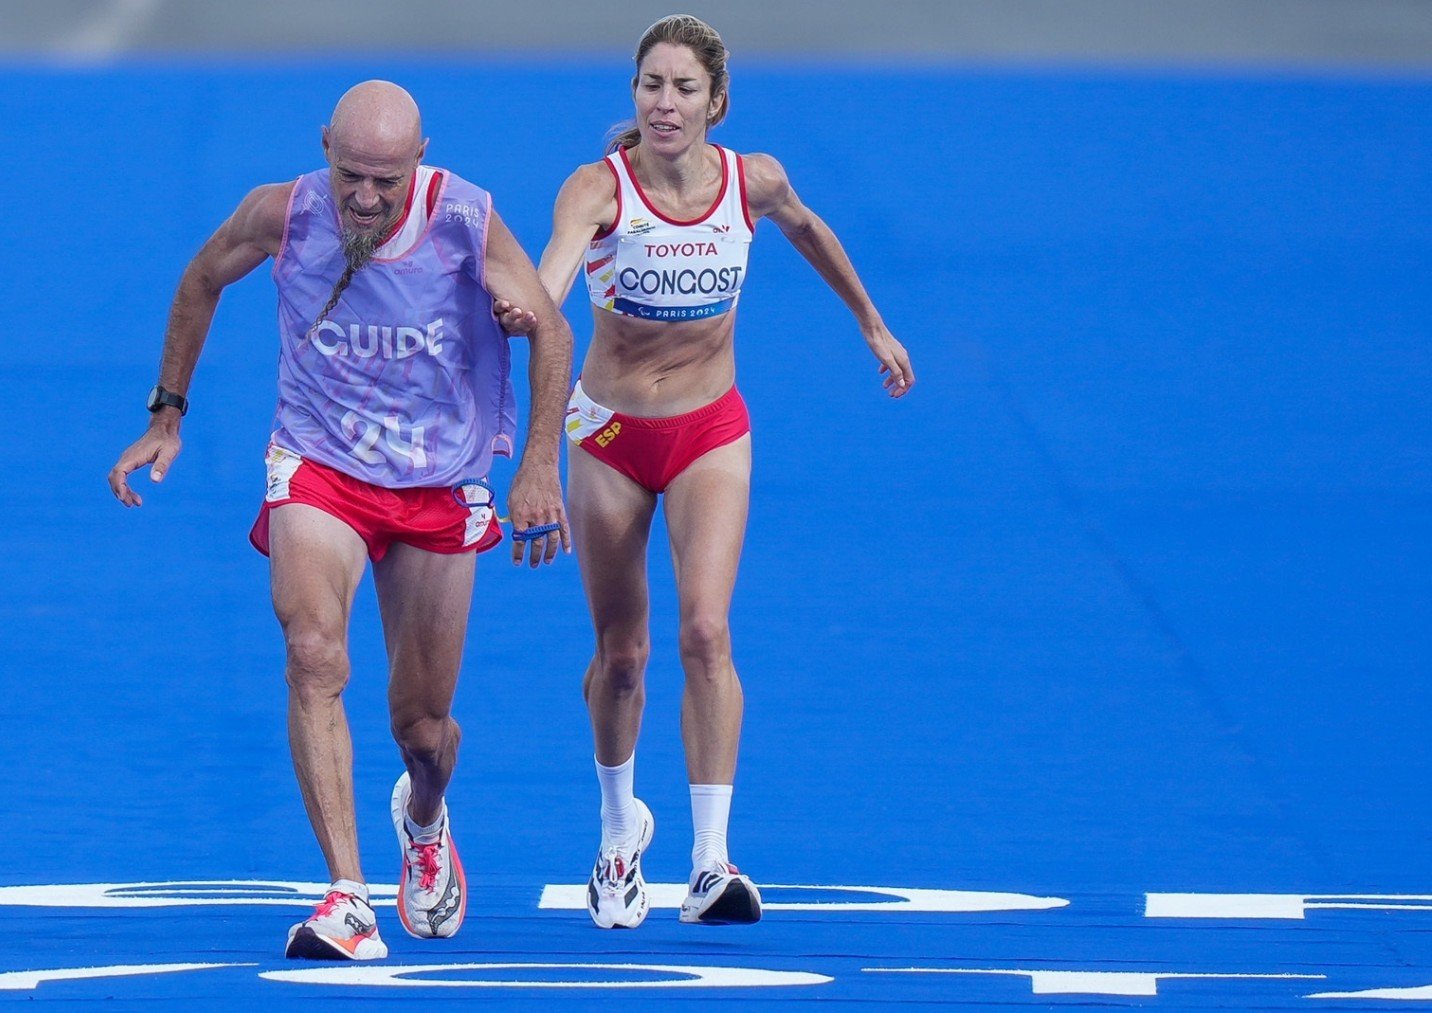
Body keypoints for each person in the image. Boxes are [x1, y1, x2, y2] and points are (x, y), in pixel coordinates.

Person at [108, 80, 573, 961]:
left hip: (438, 477)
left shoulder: (466, 219)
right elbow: (202, 276)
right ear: (325, 148)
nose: (364, 198)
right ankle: (347, 896)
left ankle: (425, 816)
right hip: (319, 462)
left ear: (419, 162)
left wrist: (540, 464)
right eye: (351, 174)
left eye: (385, 182)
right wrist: (167, 411)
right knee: (313, 653)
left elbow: (550, 332)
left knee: (423, 728)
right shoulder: (283, 213)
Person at [498, 14, 914, 929]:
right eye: (651, 84)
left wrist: (871, 324)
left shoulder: (750, 180)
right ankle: (618, 836)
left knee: (707, 631)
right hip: (609, 436)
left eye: (685, 88)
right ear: (634, 94)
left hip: (710, 431)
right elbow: (550, 283)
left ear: (717, 103)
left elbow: (811, 232)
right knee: (622, 653)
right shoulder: (597, 189)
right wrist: (521, 309)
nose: (665, 103)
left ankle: (713, 860)